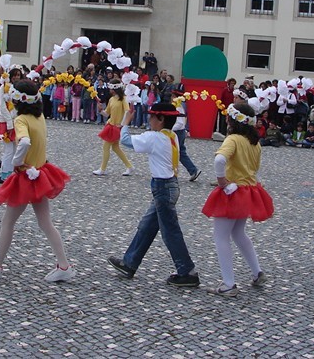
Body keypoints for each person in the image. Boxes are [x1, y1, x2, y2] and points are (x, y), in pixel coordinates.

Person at [0, 79, 75, 282]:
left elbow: (25, 141)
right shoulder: (39, 117)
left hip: (27, 176)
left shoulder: (21, 120)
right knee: (45, 222)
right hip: (40, 172)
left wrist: (16, 162)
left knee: (8, 221)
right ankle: (64, 265)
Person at [107, 103, 200, 287]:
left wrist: (126, 121)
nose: (149, 120)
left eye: (151, 117)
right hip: (169, 185)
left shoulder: (155, 138)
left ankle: (187, 271)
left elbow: (125, 140)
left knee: (170, 232)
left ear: (161, 119)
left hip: (163, 187)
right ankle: (129, 262)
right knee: (147, 226)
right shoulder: (171, 135)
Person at [202, 102, 273, 296]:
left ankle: (228, 283)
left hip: (233, 191)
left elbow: (219, 160)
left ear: (233, 120)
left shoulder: (233, 139)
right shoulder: (254, 142)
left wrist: (222, 181)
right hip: (249, 191)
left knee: (221, 236)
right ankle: (257, 272)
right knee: (239, 233)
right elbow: (255, 169)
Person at [93, 78, 133, 176]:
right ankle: (129, 166)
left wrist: (122, 125)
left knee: (106, 146)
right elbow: (107, 114)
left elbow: (128, 111)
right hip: (110, 125)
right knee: (115, 147)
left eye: (110, 88)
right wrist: (100, 110)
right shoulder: (111, 99)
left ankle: (102, 169)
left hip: (117, 127)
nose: (109, 90)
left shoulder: (123, 99)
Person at [172, 102, 202, 182]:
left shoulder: (178, 107)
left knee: (173, 152)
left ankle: (171, 173)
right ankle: (193, 170)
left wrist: (170, 129)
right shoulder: (179, 106)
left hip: (177, 132)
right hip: (180, 131)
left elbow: (180, 123)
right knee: (181, 153)